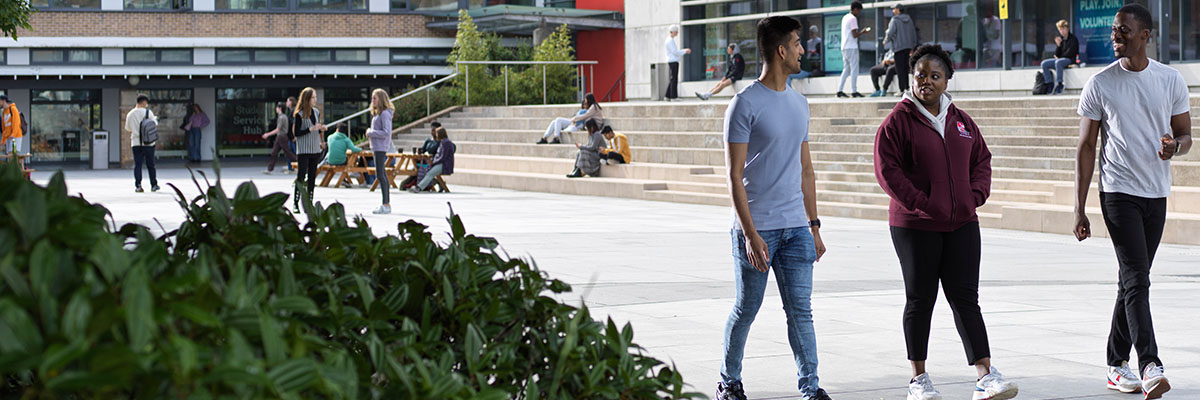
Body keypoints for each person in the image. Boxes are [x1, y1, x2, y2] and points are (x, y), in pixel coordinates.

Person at [873, 44, 1018, 400]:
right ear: (912, 77)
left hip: (962, 223)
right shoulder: (898, 120)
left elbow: (981, 160)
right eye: (920, 75)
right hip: (915, 225)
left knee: (966, 298)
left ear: (947, 80)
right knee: (920, 300)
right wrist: (923, 204)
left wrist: (975, 196)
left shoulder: (962, 121)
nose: (926, 81)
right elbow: (887, 172)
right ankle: (918, 380)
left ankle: (985, 375)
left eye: (934, 76)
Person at [1073, 5, 1190, 398]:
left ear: (1146, 35)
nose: (1115, 36)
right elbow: (1087, 146)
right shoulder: (1101, 83)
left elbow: (1185, 135)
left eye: (1123, 30)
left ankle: (1114, 363)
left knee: (1130, 280)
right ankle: (1150, 364)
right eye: (1113, 30)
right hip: (1118, 192)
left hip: (1156, 193)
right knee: (1139, 279)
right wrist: (1079, 207)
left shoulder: (1170, 79)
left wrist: (1175, 147)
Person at [716, 16, 830, 400]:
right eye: (797, 43)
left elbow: (807, 169)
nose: (803, 49)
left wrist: (814, 226)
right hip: (757, 228)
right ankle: (729, 381)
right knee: (746, 309)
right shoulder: (744, 104)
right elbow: (734, 177)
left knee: (801, 312)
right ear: (781, 51)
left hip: (797, 227)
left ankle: (811, 389)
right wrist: (750, 234)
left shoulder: (800, 103)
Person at [291, 87, 328, 212]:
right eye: (313, 97)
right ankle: (296, 202)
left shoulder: (316, 112)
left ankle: (309, 202)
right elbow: (296, 133)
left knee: (312, 177)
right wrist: (311, 129)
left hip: (314, 149)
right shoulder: (299, 114)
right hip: (303, 150)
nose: (315, 99)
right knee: (301, 176)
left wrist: (321, 129)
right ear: (307, 99)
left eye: (316, 97)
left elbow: (316, 129)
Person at [366, 88, 395, 214]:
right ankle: (386, 204)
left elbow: (386, 132)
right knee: (381, 174)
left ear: (381, 99)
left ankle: (386, 204)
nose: (372, 101)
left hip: (380, 147)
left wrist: (370, 132)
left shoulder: (384, 114)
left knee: (380, 175)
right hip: (377, 146)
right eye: (372, 98)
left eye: (375, 98)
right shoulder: (378, 114)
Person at [837, 1, 872, 98]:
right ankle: (854, 91)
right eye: (859, 11)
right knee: (854, 70)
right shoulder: (853, 19)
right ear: (855, 9)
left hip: (844, 47)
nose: (859, 13)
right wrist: (862, 32)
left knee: (846, 69)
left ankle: (839, 90)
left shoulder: (845, 17)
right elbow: (854, 34)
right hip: (851, 47)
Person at [126, 94, 159, 193]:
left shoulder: (130, 114)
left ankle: (138, 185)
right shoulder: (149, 113)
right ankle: (153, 185)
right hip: (148, 143)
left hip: (136, 143)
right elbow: (154, 125)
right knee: (151, 164)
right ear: (144, 102)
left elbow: (128, 128)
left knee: (138, 165)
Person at [538, 93, 602, 144]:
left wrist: (574, 119)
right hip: (576, 122)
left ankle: (556, 138)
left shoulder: (594, 107)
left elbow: (586, 116)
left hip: (579, 124)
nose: (585, 102)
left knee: (558, 119)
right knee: (554, 122)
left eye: (586, 101)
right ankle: (544, 138)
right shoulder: (590, 108)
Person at [883, 4, 919, 96]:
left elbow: (890, 32)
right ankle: (907, 88)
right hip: (907, 47)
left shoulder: (894, 20)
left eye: (894, 9)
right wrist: (913, 46)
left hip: (898, 48)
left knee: (899, 69)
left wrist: (885, 41)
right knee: (905, 68)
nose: (893, 11)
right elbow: (913, 33)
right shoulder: (909, 20)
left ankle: (902, 89)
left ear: (898, 10)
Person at [410, 127, 454, 193]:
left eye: (436, 133)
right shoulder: (443, 142)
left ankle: (419, 187)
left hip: (445, 165)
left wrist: (434, 163)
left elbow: (443, 157)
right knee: (426, 170)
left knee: (430, 173)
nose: (436, 135)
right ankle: (439, 184)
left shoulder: (446, 143)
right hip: (440, 163)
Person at [1041, 19, 1079, 95]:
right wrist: (1058, 46)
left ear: (1067, 29)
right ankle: (1049, 84)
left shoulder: (1073, 39)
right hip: (1060, 60)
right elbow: (1056, 54)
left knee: (1058, 62)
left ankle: (1060, 83)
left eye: (1063, 29)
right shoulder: (1061, 40)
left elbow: (1071, 53)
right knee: (1044, 63)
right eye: (1060, 30)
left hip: (1070, 60)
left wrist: (1059, 57)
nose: (1062, 31)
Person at [263, 102, 297, 174]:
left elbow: (278, 129)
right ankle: (270, 169)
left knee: (288, 153)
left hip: (282, 137)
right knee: (274, 153)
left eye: (277, 108)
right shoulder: (284, 116)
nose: (276, 109)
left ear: (280, 108)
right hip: (280, 137)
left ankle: (301, 163)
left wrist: (267, 134)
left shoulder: (282, 118)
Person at [665, 25, 691, 101]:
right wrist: (685, 51)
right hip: (673, 61)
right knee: (674, 79)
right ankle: (673, 96)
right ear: (673, 32)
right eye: (676, 32)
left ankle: (667, 95)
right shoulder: (670, 41)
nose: (677, 33)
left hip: (672, 61)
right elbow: (675, 52)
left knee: (672, 78)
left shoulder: (669, 40)